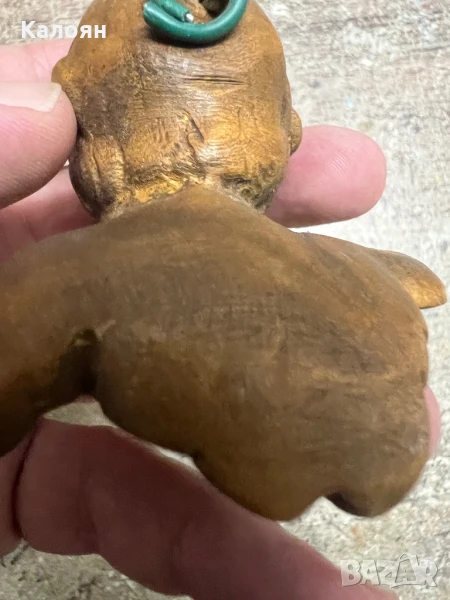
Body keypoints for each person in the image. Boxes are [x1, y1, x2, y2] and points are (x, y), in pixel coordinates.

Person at [0, 39, 440, 600]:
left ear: (87, 144)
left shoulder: (54, 276)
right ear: (286, 131)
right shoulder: (357, 272)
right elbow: (412, 284)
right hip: (365, 445)